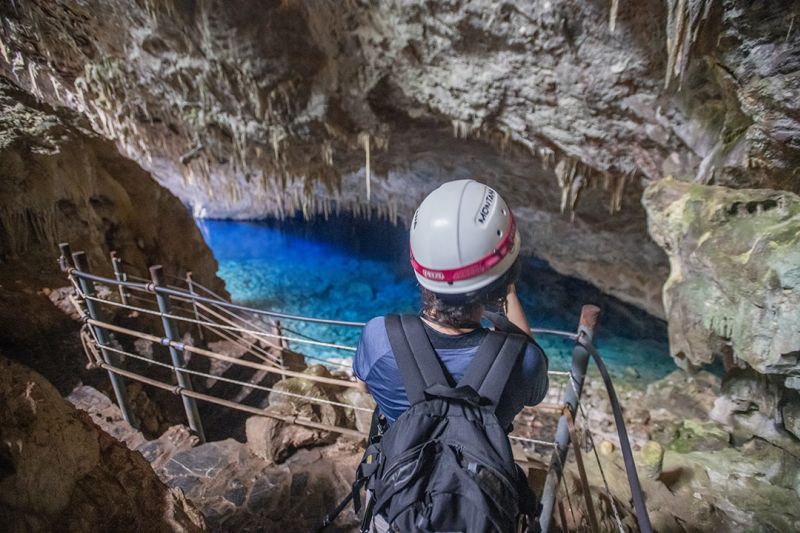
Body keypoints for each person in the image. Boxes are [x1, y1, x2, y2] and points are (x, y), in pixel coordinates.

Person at [353, 179, 549, 432]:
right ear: (508, 275)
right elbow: (533, 390)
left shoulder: (378, 336)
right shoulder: (524, 360)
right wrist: (505, 283)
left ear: (418, 265)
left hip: (400, 467)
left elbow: (364, 386)